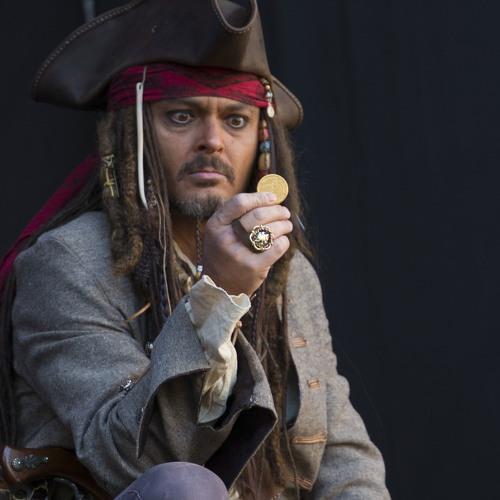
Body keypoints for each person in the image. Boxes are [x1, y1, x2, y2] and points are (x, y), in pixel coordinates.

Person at [0, 0, 390, 498]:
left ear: (263, 142)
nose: (212, 141)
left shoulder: (289, 274)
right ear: (132, 137)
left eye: (236, 120)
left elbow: (345, 460)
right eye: (182, 116)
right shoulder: (66, 265)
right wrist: (218, 296)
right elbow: (139, 463)